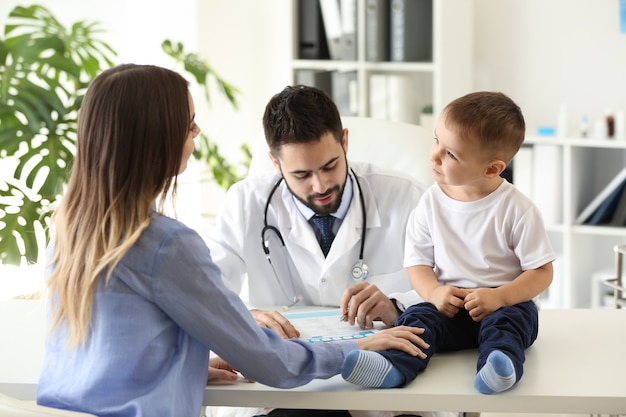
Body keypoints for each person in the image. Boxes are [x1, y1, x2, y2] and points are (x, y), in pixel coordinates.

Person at [35, 64, 429, 417]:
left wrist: (184, 362)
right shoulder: (166, 244)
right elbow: (270, 362)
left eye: (329, 166)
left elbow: (111, 345)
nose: (198, 132)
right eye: (189, 125)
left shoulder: (69, 230)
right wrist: (358, 348)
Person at [203, 85, 436, 417]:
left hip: (382, 386)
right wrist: (243, 318)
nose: (320, 185)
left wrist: (398, 305)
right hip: (284, 393)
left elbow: (451, 291)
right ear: (274, 162)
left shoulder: (405, 197)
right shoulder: (245, 203)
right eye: (301, 174)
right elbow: (205, 294)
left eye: (330, 166)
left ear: (345, 141)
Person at [340, 91, 556, 395]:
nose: (434, 155)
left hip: (501, 305)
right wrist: (435, 292)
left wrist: (501, 297)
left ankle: (499, 366)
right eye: (435, 140)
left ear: (492, 169)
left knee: (510, 325)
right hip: (448, 307)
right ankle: (394, 366)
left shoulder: (517, 209)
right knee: (416, 319)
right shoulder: (429, 202)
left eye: (451, 154)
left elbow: (542, 272)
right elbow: (417, 263)